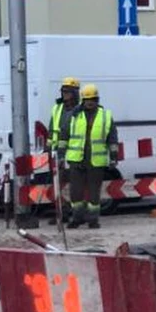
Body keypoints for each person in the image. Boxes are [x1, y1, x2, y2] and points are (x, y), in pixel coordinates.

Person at [60, 84, 118, 229]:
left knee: (94, 193)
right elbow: (63, 136)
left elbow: (112, 138)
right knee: (75, 192)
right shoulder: (74, 115)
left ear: (97, 100)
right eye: (87, 99)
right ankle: (77, 218)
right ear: (83, 100)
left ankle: (93, 220)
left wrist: (114, 156)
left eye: (92, 99)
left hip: (95, 161)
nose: (90, 102)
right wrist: (61, 155)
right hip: (76, 160)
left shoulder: (105, 116)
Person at [48, 77, 81, 223]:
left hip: (74, 153)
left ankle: (77, 214)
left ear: (75, 93)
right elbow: (52, 129)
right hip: (58, 153)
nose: (65, 94)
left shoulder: (80, 110)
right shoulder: (57, 108)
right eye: (63, 91)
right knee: (58, 185)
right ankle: (62, 213)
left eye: (68, 91)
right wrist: (49, 147)